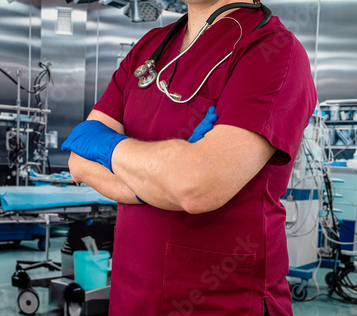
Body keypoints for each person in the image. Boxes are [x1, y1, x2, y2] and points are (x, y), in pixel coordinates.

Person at [62, 0, 317, 314]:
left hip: (224, 298)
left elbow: (196, 188)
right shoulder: (149, 49)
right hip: (132, 293)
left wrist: (106, 146)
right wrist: (170, 178)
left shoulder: (273, 51)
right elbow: (79, 163)